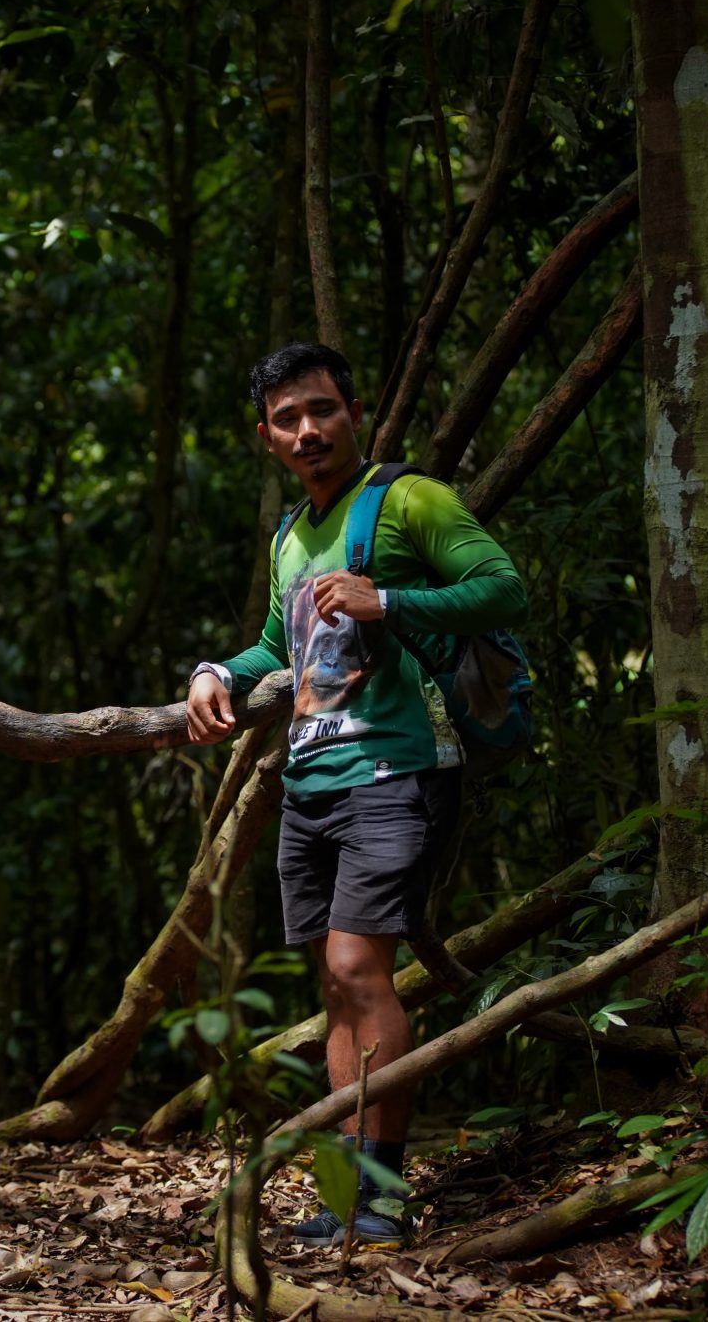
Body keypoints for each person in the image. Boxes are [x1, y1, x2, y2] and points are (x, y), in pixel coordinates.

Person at [186, 343, 527, 1247]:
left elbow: (504, 588)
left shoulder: (411, 500)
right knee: (337, 991)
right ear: (265, 437)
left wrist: (392, 601)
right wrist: (217, 670)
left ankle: (379, 1198)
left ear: (354, 411)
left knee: (354, 969)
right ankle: (347, 1196)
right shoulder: (289, 535)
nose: (308, 430)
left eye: (322, 410)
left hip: (399, 769)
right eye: (288, 419)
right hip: (313, 780)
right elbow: (279, 648)